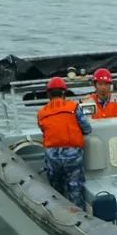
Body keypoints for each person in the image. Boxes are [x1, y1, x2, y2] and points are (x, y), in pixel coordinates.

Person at [36, 77, 92, 208]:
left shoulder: (41, 113)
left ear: (48, 94)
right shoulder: (73, 107)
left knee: (56, 190)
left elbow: (44, 129)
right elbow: (87, 128)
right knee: (75, 188)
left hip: (52, 157)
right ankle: (79, 216)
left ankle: (58, 214)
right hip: (72, 155)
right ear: (64, 93)